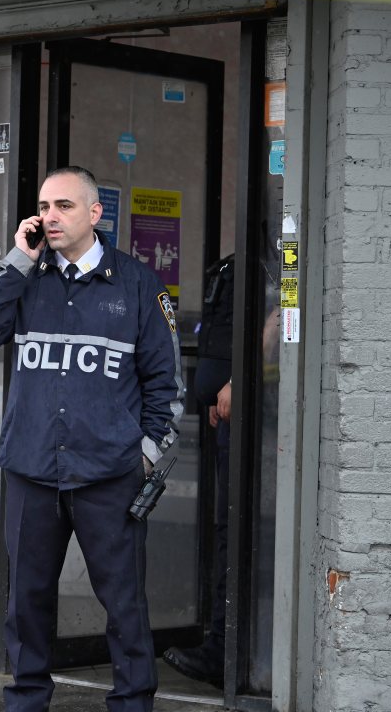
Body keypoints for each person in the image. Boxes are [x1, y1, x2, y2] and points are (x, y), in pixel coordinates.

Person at [0, 166, 184, 712]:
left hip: (108, 472)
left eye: (63, 205)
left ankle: (133, 702)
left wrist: (147, 456)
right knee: (27, 601)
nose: (49, 216)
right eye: (43, 206)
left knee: (123, 601)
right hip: (32, 468)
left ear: (95, 213)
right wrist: (17, 260)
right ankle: (27, 700)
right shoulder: (25, 277)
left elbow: (166, 382)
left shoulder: (136, 283)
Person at [163, 253, 234, 689]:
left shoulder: (279, 258)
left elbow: (282, 321)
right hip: (225, 418)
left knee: (237, 534)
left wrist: (241, 378)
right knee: (225, 529)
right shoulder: (233, 263)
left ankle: (226, 651)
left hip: (257, 420)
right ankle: (221, 646)